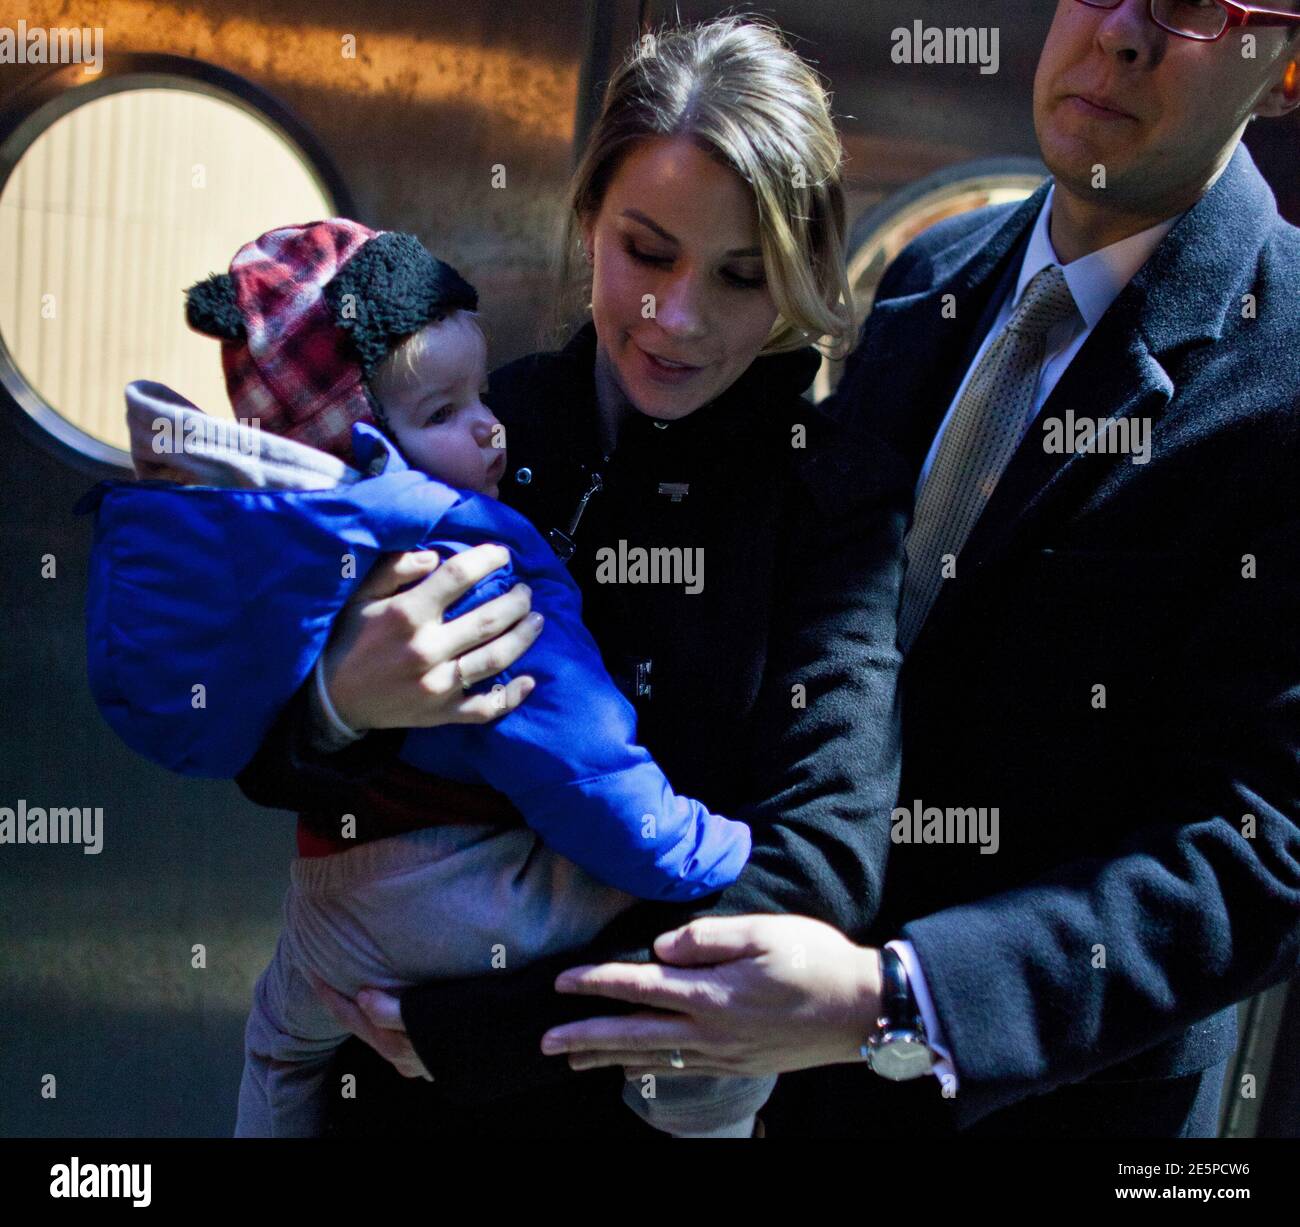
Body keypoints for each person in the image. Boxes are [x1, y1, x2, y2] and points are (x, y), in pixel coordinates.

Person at [537, 0, 1300, 1139]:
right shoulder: (928, 272)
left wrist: (901, 998)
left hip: (1051, 1109)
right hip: (787, 1091)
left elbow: (1265, 843)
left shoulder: (1283, 365)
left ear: (1283, 66)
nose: (1126, 36)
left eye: (1194, 6)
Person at [232, 16, 911, 1137]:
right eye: (647, 252)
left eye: (742, 276)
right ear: (588, 217)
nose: (678, 318)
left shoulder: (833, 492)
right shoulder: (470, 423)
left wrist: (500, 1031)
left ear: (797, 278)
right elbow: (255, 744)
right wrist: (335, 704)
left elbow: (822, 861)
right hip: (375, 1078)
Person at [81, 216, 796, 1137]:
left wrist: (334, 700)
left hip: (329, 897)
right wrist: (702, 849)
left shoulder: (300, 531)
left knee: (275, 1045)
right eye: (651, 253)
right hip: (449, 897)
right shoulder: (475, 541)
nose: (491, 426)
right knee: (700, 1000)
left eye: (741, 272)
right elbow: (578, 757)